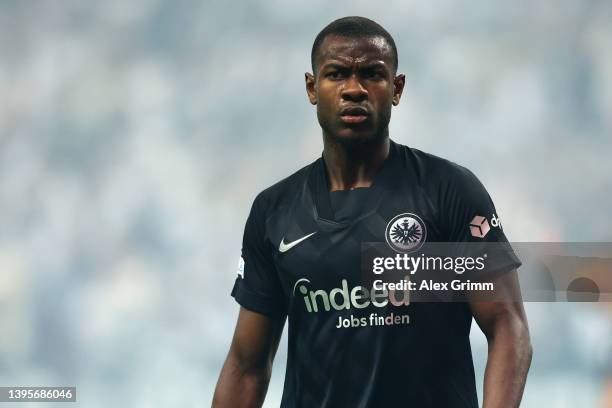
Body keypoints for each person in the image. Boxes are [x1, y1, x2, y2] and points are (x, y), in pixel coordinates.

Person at [213, 16, 532, 408]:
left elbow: (506, 326)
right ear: (312, 88)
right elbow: (247, 364)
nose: (354, 89)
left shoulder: (448, 191)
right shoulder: (274, 210)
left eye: (372, 74)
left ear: (396, 88)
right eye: (336, 74)